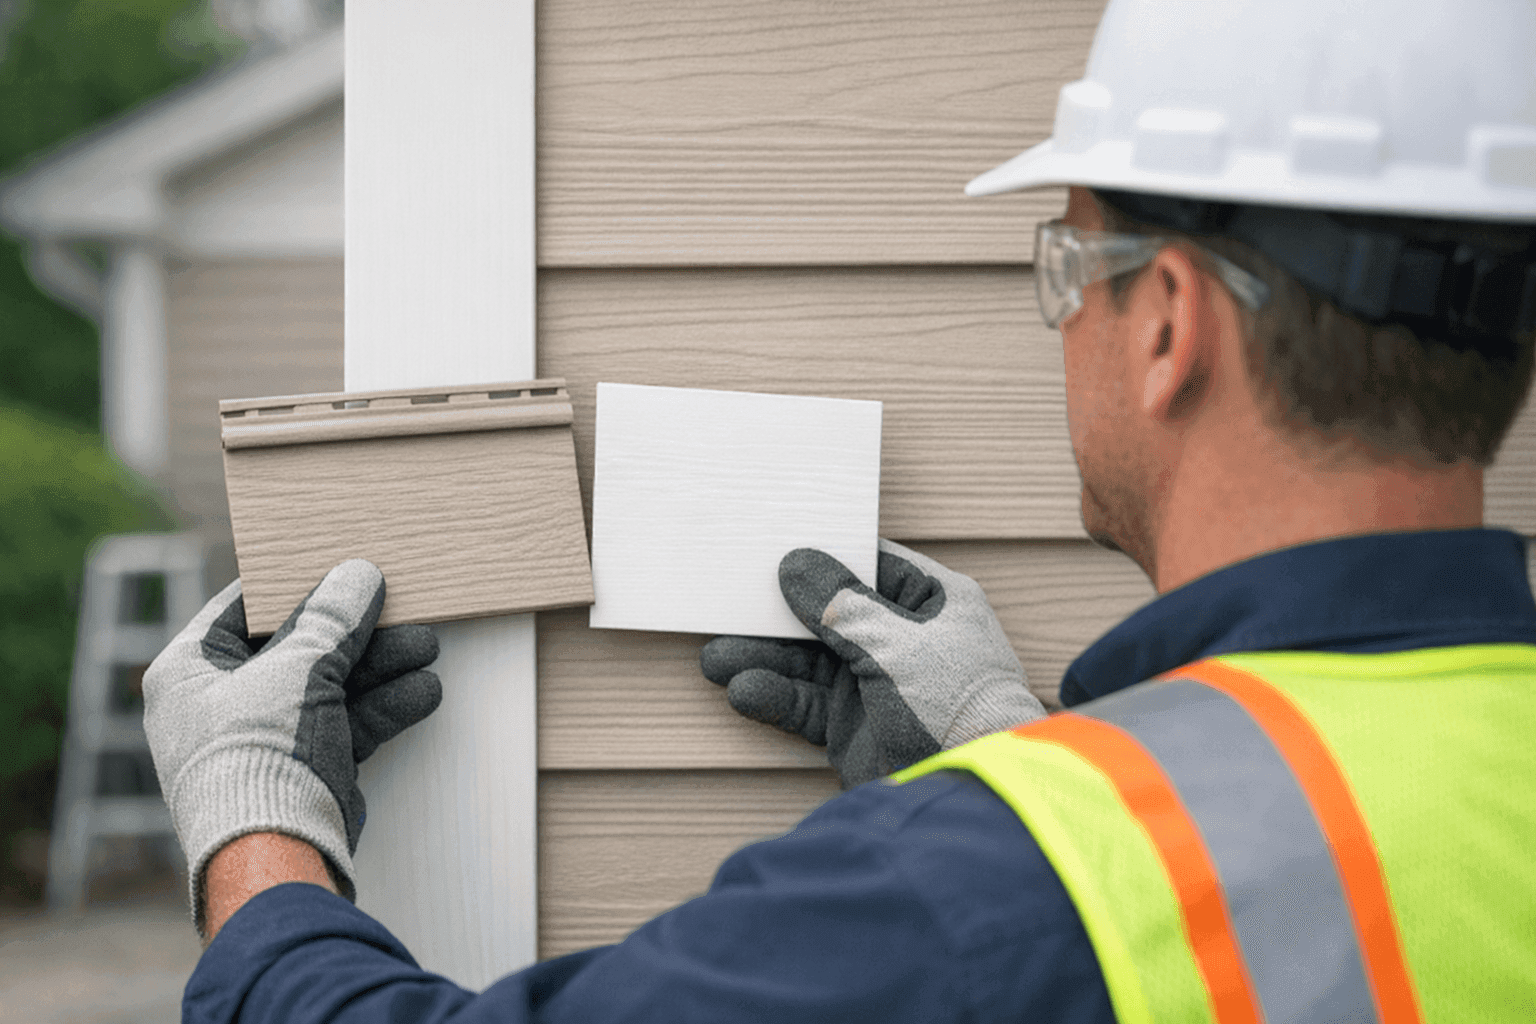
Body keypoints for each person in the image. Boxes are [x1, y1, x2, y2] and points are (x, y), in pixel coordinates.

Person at [145, 0, 1536, 1020]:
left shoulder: (971, 888)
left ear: (1168, 323)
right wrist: (1017, 747)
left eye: (1068, 267)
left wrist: (251, 822)